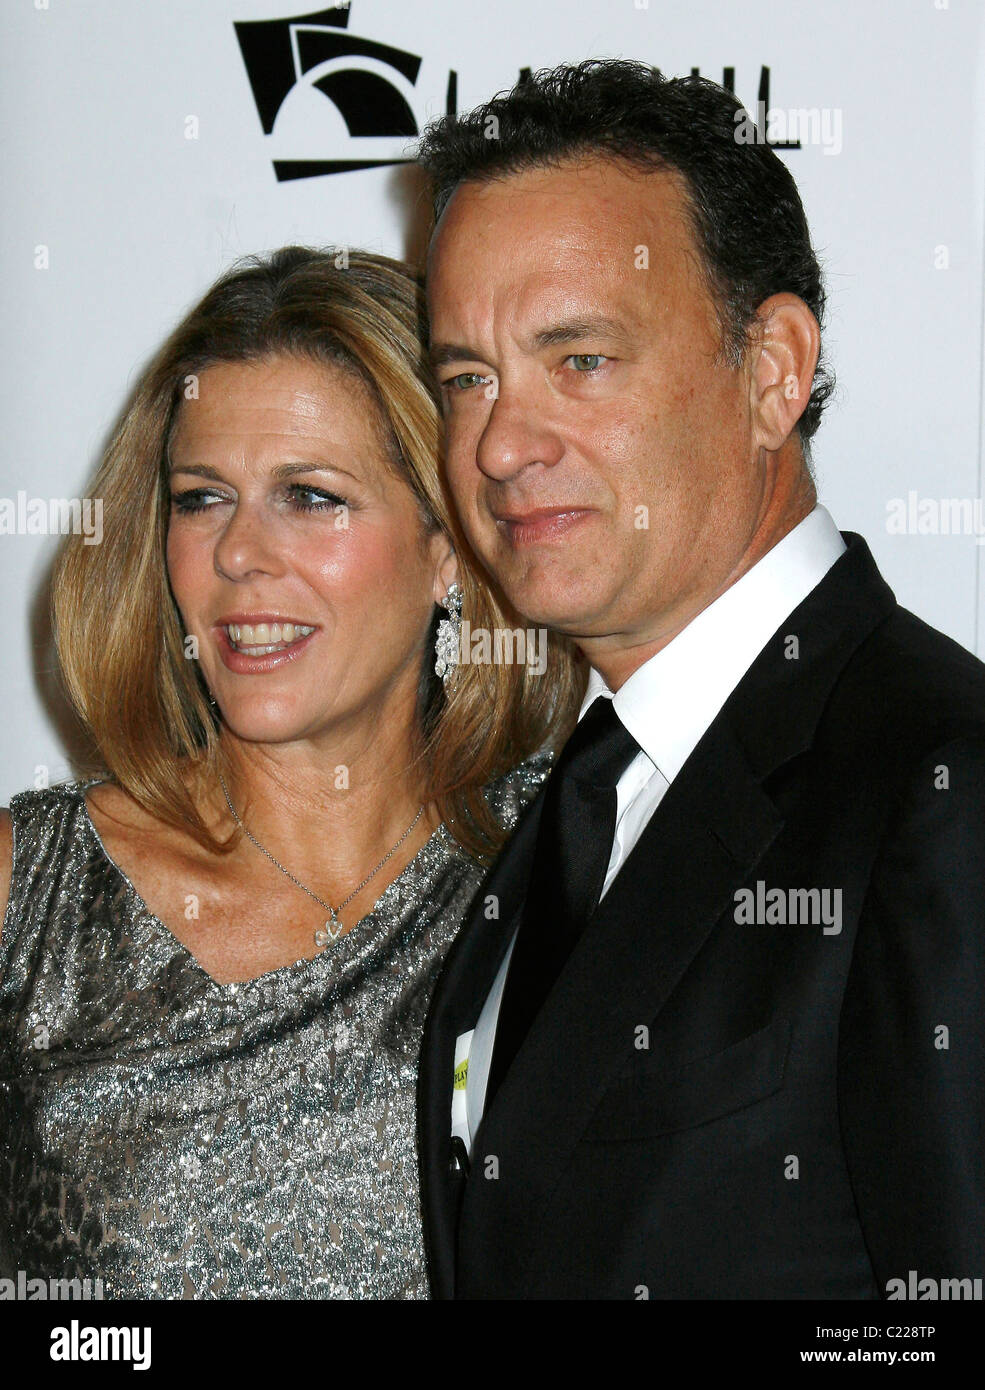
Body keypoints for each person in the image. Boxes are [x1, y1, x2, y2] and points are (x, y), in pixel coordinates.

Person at [415, 60, 985, 1299]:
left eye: (580, 360)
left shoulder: (942, 788)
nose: (503, 445)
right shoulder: (580, 795)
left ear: (773, 371)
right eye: (468, 378)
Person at [0, 246, 581, 1299]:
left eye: (311, 497)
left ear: (447, 547)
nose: (237, 555)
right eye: (200, 498)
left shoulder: (572, 862)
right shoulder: (25, 895)